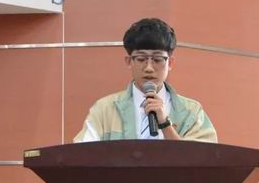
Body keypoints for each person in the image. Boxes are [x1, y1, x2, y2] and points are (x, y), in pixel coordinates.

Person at [73, 18, 217, 143]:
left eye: (157, 59)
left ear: (170, 63)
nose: (149, 68)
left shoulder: (192, 112)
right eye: (141, 59)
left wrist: (165, 124)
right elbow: (81, 154)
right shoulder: (104, 109)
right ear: (129, 61)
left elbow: (203, 158)